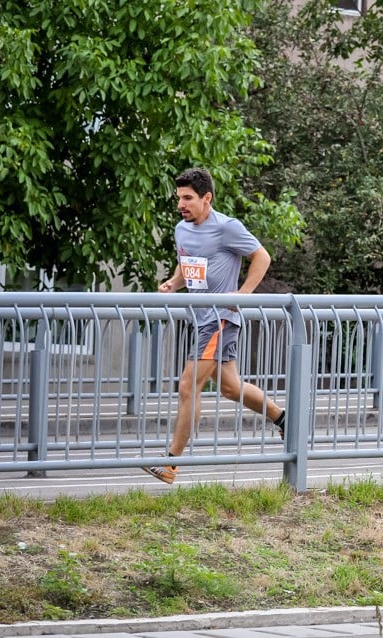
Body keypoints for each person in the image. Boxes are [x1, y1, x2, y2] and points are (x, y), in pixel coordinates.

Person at [144, 168, 286, 483]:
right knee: (230, 387)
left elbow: (261, 257)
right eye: (179, 197)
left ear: (206, 198)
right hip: (202, 319)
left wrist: (244, 294)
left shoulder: (227, 227)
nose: (181, 204)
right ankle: (285, 421)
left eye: (188, 198)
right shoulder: (182, 229)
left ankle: (170, 465)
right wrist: (173, 283)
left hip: (220, 318)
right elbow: (188, 265)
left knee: (187, 385)